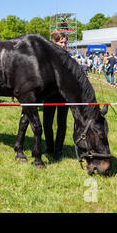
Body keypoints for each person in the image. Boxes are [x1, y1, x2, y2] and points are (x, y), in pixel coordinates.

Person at [43, 32, 69, 160]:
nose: (63, 45)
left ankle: (58, 149)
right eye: (61, 42)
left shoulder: (69, 58)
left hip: (64, 96)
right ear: (54, 42)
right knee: (47, 123)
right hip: (49, 95)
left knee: (62, 123)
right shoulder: (47, 58)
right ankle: (49, 146)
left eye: (65, 42)